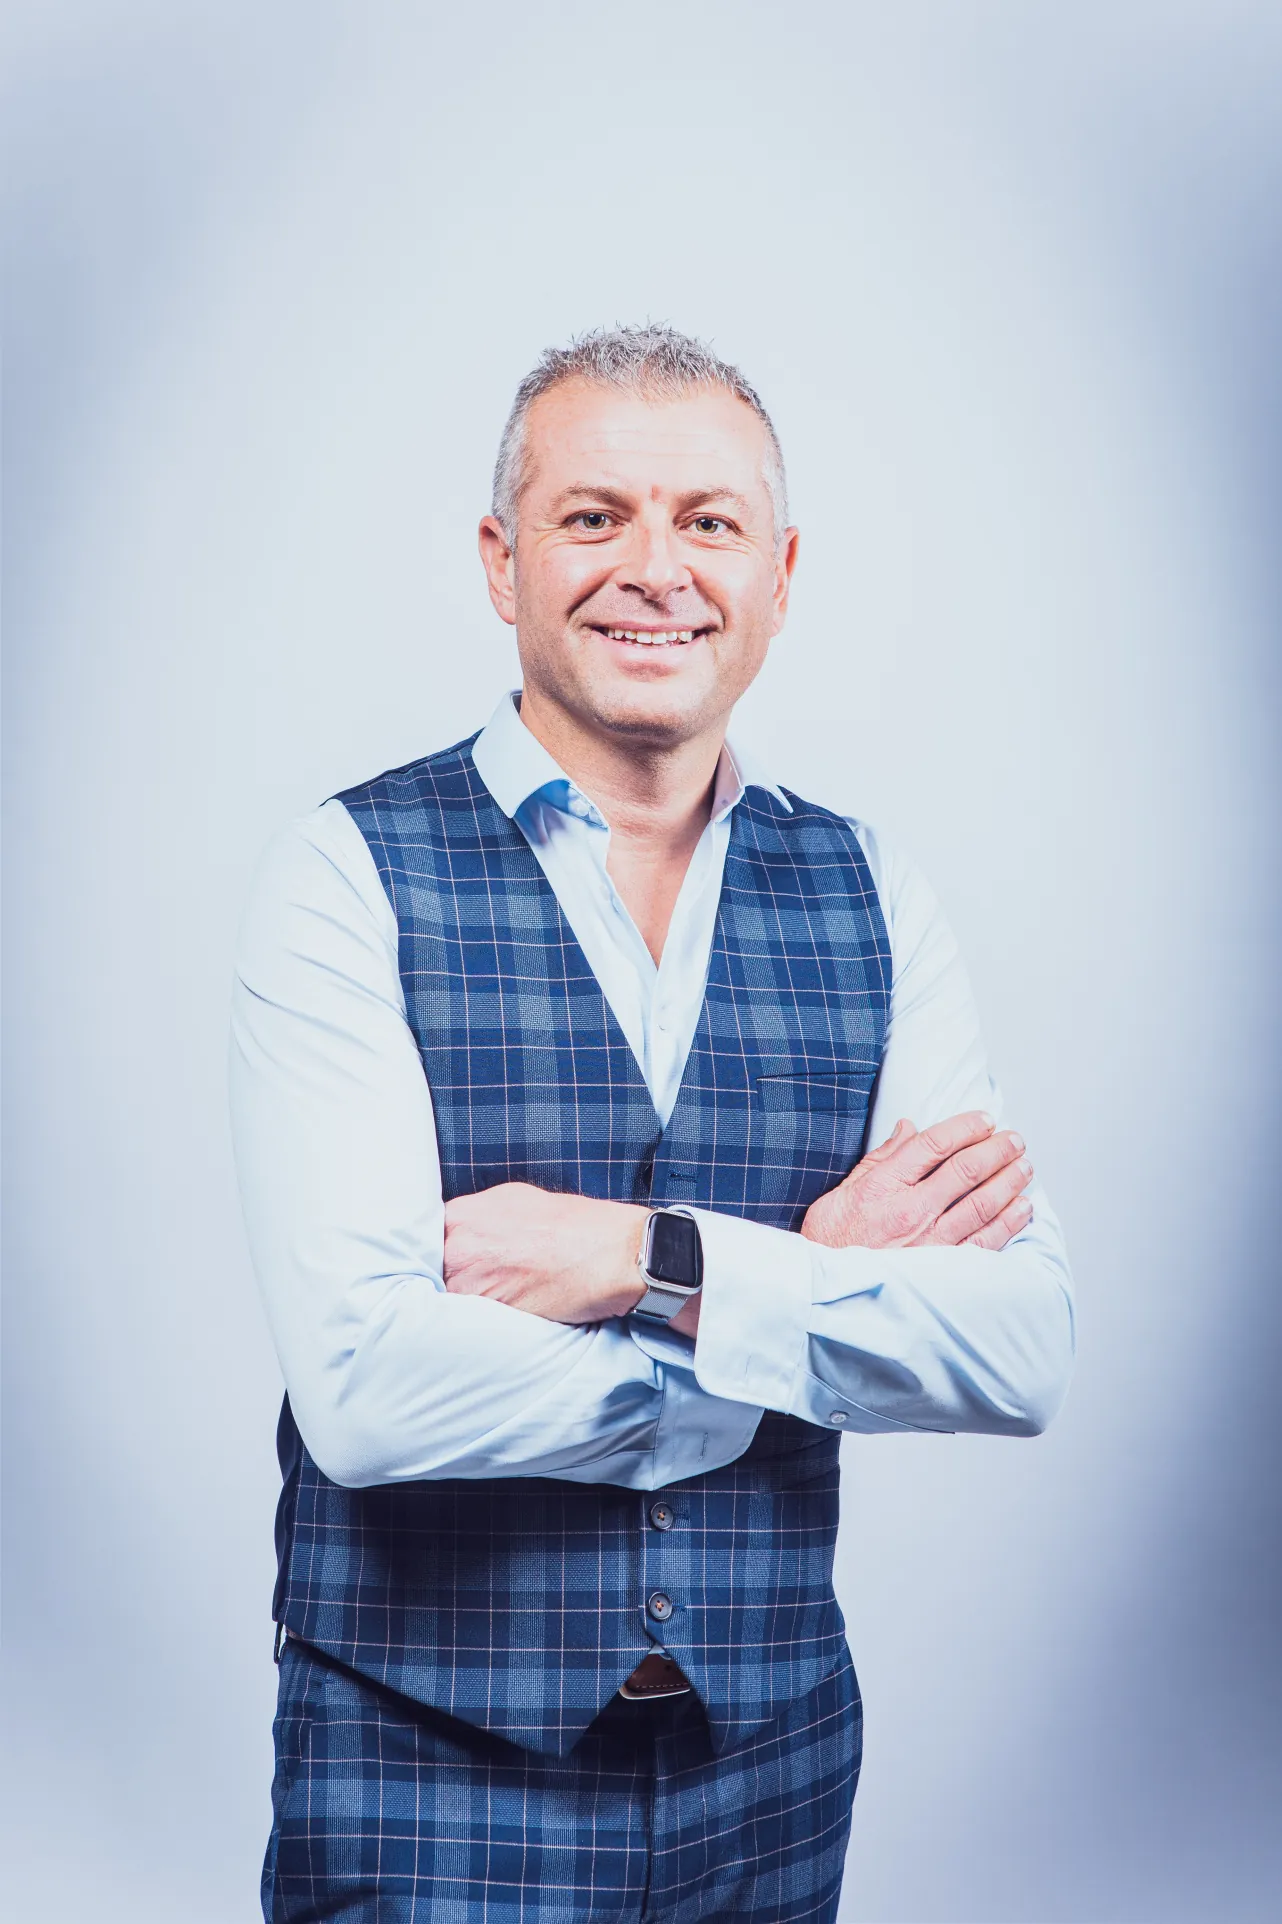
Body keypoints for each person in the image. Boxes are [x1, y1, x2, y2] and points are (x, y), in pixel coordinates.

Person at [230, 323, 1074, 1924]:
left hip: (769, 1772)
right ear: (502, 560)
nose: (655, 570)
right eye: (592, 516)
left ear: (778, 574)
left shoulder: (870, 892)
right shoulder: (347, 875)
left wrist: (651, 1259)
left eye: (707, 522)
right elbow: (365, 1391)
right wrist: (796, 1305)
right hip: (420, 1772)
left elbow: (1018, 1349)